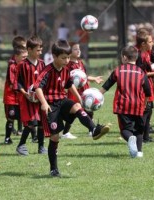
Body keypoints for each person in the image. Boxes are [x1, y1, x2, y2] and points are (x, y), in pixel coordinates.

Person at [33, 40, 110, 177]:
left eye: (68, 57)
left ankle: (94, 129)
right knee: (55, 137)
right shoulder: (47, 71)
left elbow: (69, 85)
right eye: (63, 58)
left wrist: (80, 99)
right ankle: (53, 169)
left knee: (76, 106)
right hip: (50, 106)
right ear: (54, 56)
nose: (66, 60)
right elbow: (37, 87)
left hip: (62, 101)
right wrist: (44, 103)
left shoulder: (67, 70)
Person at [100, 46, 151, 158]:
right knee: (138, 130)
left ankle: (129, 138)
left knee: (125, 130)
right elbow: (148, 91)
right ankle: (139, 152)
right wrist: (144, 104)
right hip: (138, 106)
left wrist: (97, 96)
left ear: (124, 58)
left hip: (123, 106)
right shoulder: (141, 72)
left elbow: (106, 86)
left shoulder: (118, 70)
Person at [62, 42, 103, 139]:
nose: (78, 50)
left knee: (89, 109)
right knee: (74, 112)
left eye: (79, 48)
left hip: (85, 90)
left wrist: (94, 79)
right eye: (75, 49)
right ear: (69, 52)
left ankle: (91, 130)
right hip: (74, 92)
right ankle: (65, 132)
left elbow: (84, 77)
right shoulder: (68, 65)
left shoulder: (80, 62)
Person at [15, 36, 46, 155]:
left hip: (40, 98)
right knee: (31, 123)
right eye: (38, 50)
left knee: (42, 122)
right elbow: (18, 83)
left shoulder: (42, 64)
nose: (40, 52)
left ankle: (41, 147)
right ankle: (21, 145)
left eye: (41, 50)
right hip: (27, 99)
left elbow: (45, 81)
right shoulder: (22, 65)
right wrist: (26, 94)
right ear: (29, 49)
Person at [135, 29, 154, 143]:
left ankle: (146, 137)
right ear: (143, 44)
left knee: (149, 110)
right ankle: (140, 137)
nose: (152, 43)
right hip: (142, 89)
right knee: (145, 111)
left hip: (149, 86)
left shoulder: (147, 54)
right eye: (150, 41)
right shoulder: (140, 56)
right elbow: (141, 74)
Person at [3, 45, 28, 144]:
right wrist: (23, 89)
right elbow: (14, 83)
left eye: (26, 57)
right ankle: (7, 138)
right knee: (11, 118)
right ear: (16, 57)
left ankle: (34, 137)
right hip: (11, 98)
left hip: (21, 97)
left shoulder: (25, 66)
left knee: (24, 117)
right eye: (23, 57)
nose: (25, 59)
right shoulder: (12, 67)